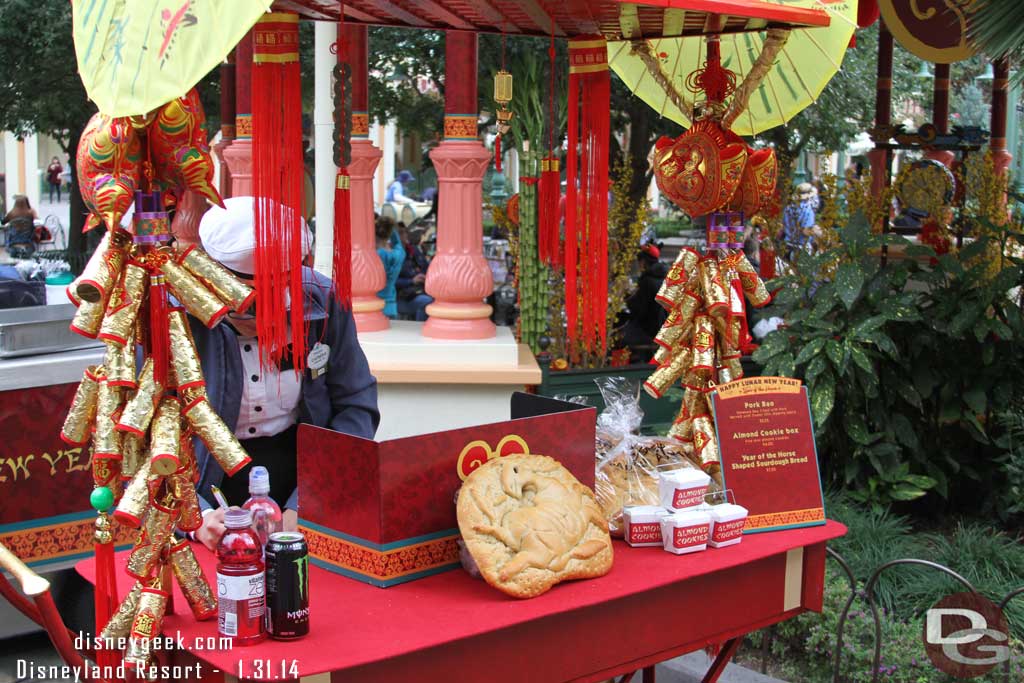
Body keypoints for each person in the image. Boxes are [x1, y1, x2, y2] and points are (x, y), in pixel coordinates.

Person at [190, 197, 380, 551]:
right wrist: (196, 517)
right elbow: (147, 440)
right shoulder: (171, 315)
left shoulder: (321, 299)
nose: (266, 324)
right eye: (250, 311)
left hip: (306, 476)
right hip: (205, 485)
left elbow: (356, 405)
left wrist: (308, 499)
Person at [619, 242, 669, 362]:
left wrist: (627, 297)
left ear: (643, 262)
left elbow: (639, 311)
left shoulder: (648, 281)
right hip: (663, 328)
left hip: (650, 331)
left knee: (618, 335)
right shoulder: (665, 278)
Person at [397, 227, 433, 321]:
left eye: (405, 232)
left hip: (419, 290)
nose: (406, 235)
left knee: (440, 300)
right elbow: (389, 281)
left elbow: (426, 267)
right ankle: (421, 329)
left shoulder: (413, 250)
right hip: (402, 297)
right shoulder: (391, 254)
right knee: (427, 302)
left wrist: (425, 276)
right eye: (402, 233)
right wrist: (411, 281)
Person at [375, 215, 405, 319]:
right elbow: (397, 242)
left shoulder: (374, 256)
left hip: (376, 305)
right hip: (391, 305)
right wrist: (391, 228)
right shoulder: (399, 253)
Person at [781, 182, 819, 259]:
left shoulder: (788, 208)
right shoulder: (808, 211)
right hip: (801, 248)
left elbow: (783, 226)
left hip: (787, 245)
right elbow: (805, 231)